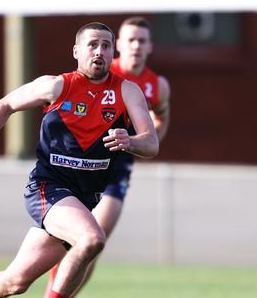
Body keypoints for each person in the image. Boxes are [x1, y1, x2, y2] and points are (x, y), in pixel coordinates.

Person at [0, 22, 159, 298]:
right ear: (76, 51)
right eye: (92, 44)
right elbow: (4, 105)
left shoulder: (127, 91)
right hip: (47, 188)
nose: (99, 51)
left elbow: (151, 143)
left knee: (15, 282)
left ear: (114, 53)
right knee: (92, 238)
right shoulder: (56, 86)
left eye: (106, 45)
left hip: (83, 198)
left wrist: (131, 141)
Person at [43, 16, 171, 296]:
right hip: (81, 165)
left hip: (117, 165)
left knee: (95, 242)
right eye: (131, 40)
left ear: (150, 47)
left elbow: (161, 117)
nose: (136, 45)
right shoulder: (102, 70)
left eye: (142, 40)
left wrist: (144, 140)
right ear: (120, 46)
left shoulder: (156, 85)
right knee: (75, 241)